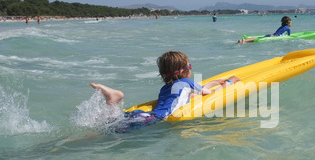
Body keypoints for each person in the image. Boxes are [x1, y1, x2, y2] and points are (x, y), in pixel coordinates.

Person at [90, 51, 240, 132]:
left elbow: (189, 95)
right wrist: (228, 82)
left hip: (143, 114)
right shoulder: (187, 82)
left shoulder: (167, 87)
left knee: (109, 123)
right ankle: (113, 100)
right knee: (113, 131)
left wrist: (211, 83)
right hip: (156, 117)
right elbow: (209, 93)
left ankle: (113, 102)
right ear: (185, 71)